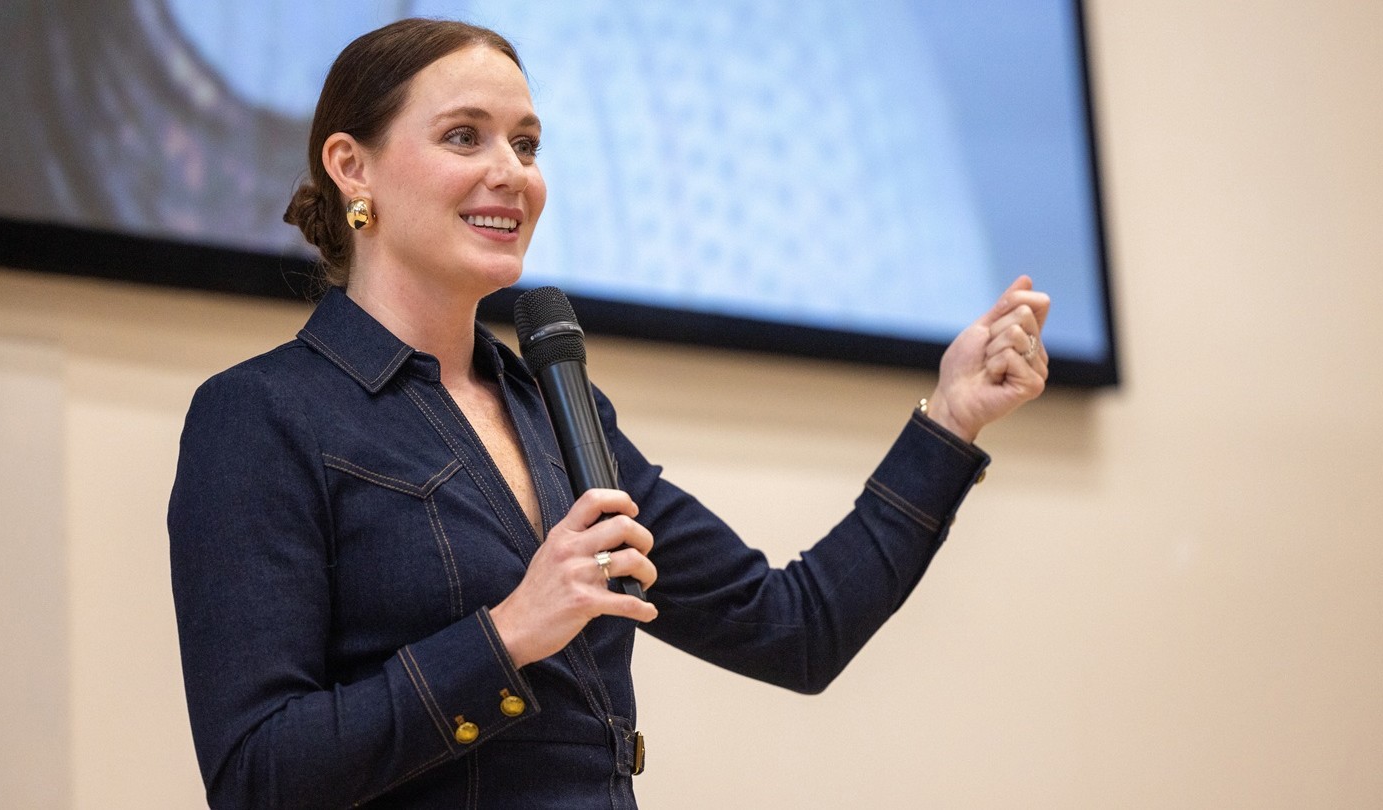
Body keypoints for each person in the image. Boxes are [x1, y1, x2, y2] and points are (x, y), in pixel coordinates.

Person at [168, 18, 1050, 810]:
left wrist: (951, 418)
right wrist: (510, 633)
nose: (510, 173)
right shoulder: (262, 415)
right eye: (464, 137)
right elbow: (256, 776)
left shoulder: (561, 414)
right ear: (352, 166)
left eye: (527, 143)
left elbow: (794, 631)